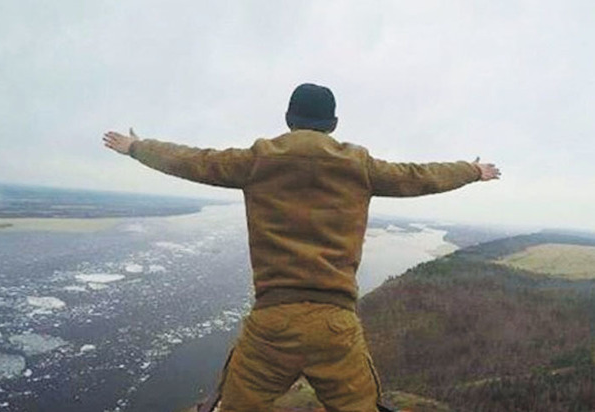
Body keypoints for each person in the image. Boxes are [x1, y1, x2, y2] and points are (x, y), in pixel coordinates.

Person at [103, 83, 501, 412]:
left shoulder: (259, 159)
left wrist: (137, 147)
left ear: (289, 119)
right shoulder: (358, 164)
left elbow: (193, 160)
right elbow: (419, 176)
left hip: (272, 324)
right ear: (333, 125)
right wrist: (471, 170)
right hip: (335, 327)